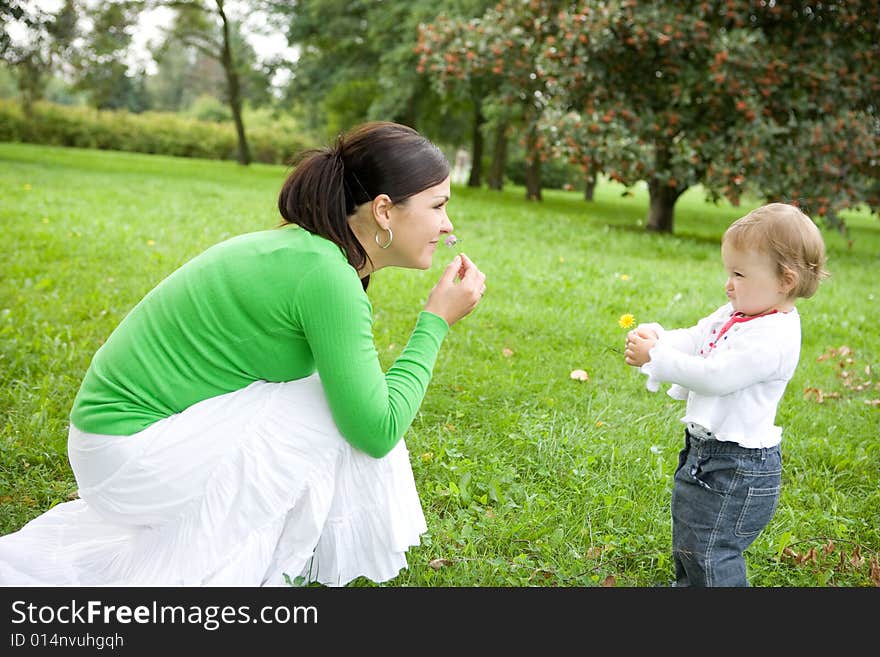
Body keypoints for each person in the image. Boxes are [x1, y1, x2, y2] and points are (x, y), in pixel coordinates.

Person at [0, 121, 486, 586]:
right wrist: (435, 322)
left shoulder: (314, 255)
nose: (447, 226)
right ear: (384, 210)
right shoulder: (325, 274)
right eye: (438, 205)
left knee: (332, 397)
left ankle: (284, 551)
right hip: (127, 457)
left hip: (111, 450)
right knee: (329, 406)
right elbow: (376, 429)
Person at [624, 202, 828, 587]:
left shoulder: (774, 337)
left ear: (784, 280)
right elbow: (699, 335)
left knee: (711, 548)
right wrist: (662, 339)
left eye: (738, 273)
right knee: (690, 538)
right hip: (707, 453)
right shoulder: (741, 312)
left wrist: (658, 359)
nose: (728, 284)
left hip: (739, 467)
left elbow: (717, 377)